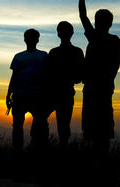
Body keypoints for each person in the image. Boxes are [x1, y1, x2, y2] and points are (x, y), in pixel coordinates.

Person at [78, 0, 120, 155]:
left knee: (93, 130)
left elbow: (82, 16)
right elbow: (115, 67)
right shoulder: (115, 40)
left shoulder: (96, 38)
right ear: (110, 23)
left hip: (93, 88)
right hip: (105, 87)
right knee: (103, 130)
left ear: (97, 23)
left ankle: (97, 167)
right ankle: (102, 163)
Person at [43, 21, 84, 149]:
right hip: (60, 92)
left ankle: (45, 147)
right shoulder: (76, 52)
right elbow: (80, 76)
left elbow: (80, 76)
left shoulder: (55, 52)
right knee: (63, 126)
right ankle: (55, 149)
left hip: (58, 92)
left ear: (58, 34)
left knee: (61, 126)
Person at [6, 29, 48, 151]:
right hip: (20, 95)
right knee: (17, 126)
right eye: (28, 37)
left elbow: (47, 75)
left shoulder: (44, 55)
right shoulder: (18, 56)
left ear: (37, 40)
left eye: (33, 37)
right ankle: (17, 150)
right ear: (24, 39)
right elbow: (14, 77)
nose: (30, 39)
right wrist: (9, 94)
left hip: (38, 95)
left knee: (40, 124)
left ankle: (36, 148)